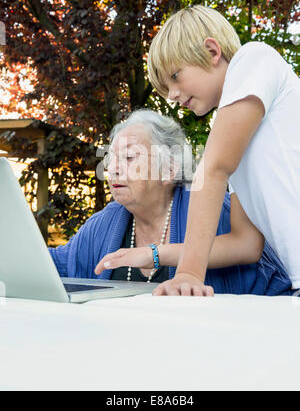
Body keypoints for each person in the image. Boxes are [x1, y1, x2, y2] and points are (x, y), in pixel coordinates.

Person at [49, 109, 292, 296]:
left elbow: (273, 283)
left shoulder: (218, 211)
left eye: (129, 157)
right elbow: (54, 266)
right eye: (111, 159)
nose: (112, 169)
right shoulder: (105, 222)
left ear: (169, 169)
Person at [146, 4, 300, 296]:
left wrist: (189, 274)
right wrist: (154, 253)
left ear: (212, 52)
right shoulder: (238, 139)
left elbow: (213, 167)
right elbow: (245, 243)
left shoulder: (253, 58)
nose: (174, 96)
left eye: (175, 76)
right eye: (166, 90)